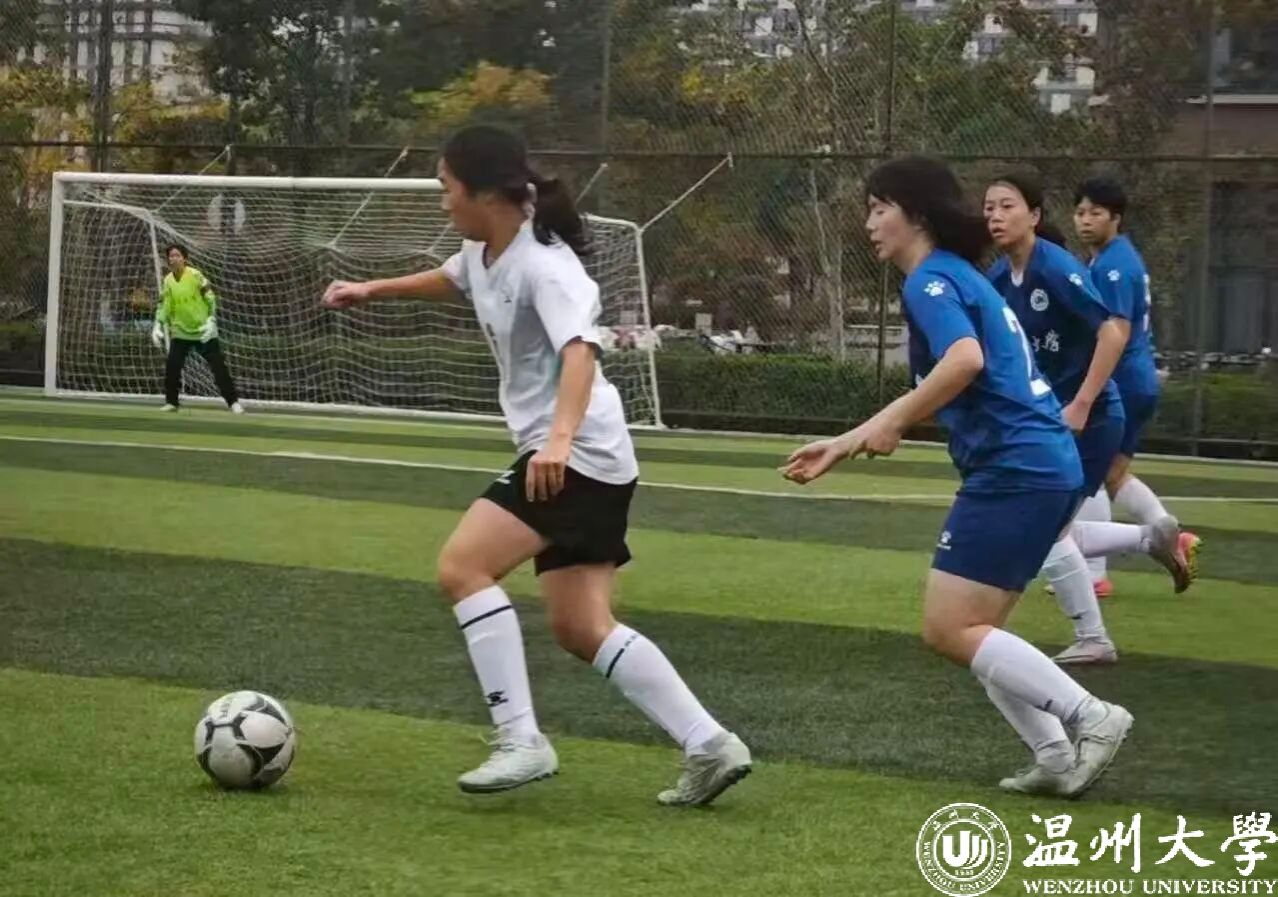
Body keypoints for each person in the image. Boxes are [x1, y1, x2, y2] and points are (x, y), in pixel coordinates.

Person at [320, 125, 751, 805]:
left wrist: (556, 440)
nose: (442, 201)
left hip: (575, 456)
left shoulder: (548, 266)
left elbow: (580, 350)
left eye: (446, 188)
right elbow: (454, 279)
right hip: (595, 460)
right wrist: (372, 289)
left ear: (484, 193)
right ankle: (710, 743)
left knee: (462, 567)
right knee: (581, 628)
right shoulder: (484, 249)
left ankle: (520, 739)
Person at [783, 156, 1131, 797]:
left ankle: (1091, 717)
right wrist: (856, 438)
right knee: (976, 630)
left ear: (916, 215)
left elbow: (965, 360)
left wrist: (883, 425)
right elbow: (966, 373)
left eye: (878, 209)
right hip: (1037, 462)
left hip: (1016, 468)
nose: (869, 224)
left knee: (950, 628)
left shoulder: (930, 282)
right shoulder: (958, 276)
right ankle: (1054, 755)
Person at [984, 173, 1194, 665]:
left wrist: (1081, 403)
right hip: (1049, 422)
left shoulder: (1058, 268)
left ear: (1034, 215)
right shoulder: (998, 278)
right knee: (1047, 522)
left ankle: (1093, 637)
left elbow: (1112, 333)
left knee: (1042, 524)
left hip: (1091, 419)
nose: (994, 215)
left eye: (1007, 206)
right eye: (989, 206)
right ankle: (1151, 538)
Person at [1073, 177, 1201, 588]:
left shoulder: (1112, 267)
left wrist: (1089, 389)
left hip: (1121, 381)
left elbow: (1117, 332)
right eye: (1080, 212)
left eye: (1095, 213)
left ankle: (1094, 575)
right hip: (1137, 379)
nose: (1085, 220)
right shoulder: (1117, 258)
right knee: (1113, 476)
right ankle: (1171, 536)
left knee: (1090, 474)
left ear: (1116, 217)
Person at [152, 244, 243, 414]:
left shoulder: (195, 275)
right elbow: (165, 304)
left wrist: (211, 319)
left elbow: (210, 297)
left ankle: (233, 403)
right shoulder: (167, 280)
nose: (173, 259)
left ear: (185, 259)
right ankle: (171, 402)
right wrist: (157, 324)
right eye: (171, 256)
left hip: (203, 330)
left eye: (177, 255)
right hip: (180, 331)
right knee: (172, 367)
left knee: (218, 368)